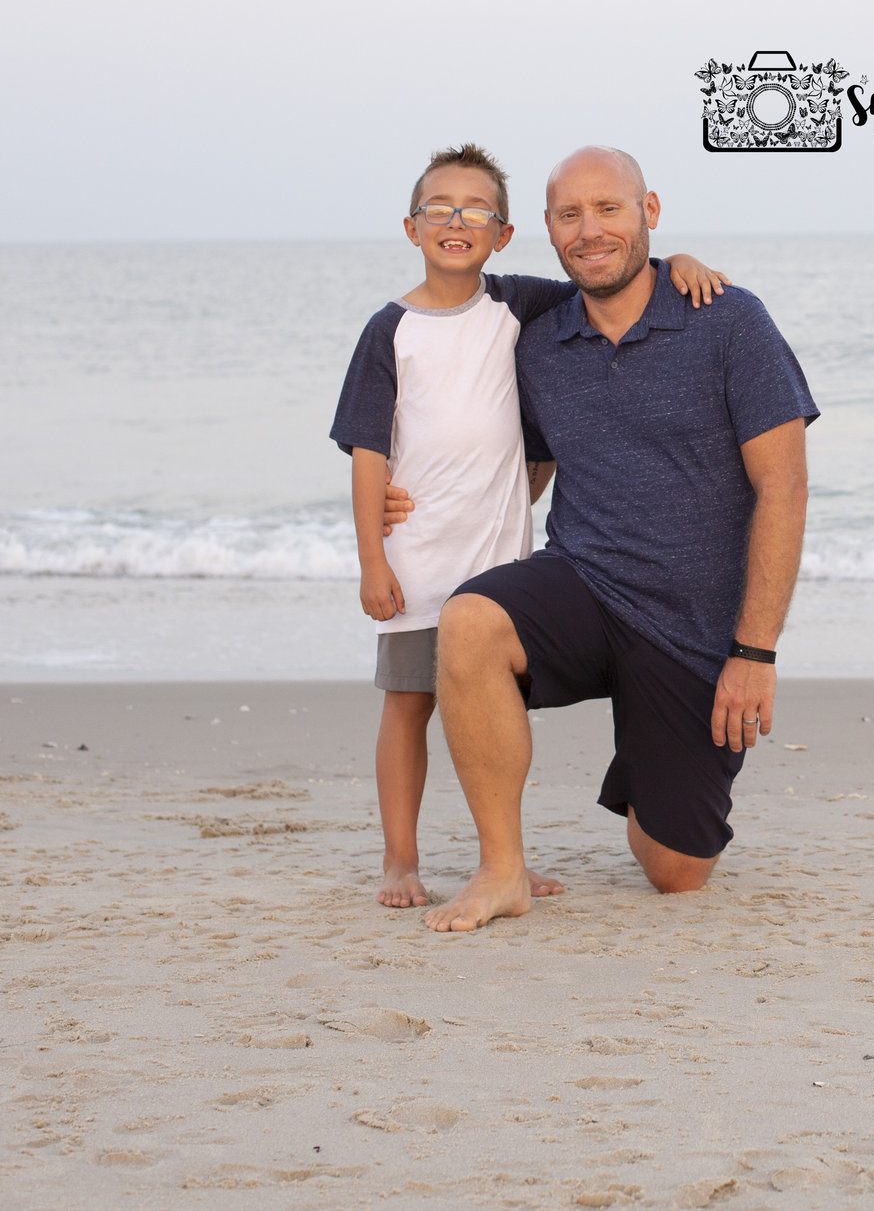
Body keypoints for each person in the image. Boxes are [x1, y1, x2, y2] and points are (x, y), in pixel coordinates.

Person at [393, 145, 816, 932]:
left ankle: (650, 749)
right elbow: (510, 459)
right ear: (547, 231)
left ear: (648, 212)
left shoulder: (728, 320)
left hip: (691, 632)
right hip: (584, 586)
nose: (590, 230)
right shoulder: (540, 341)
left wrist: (754, 653)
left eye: (609, 209)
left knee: (676, 872)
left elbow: (783, 486)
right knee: (471, 621)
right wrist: (406, 507)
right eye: (570, 215)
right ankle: (502, 868)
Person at [328, 142, 730, 909]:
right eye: (438, 208)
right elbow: (367, 450)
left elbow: (611, 271)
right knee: (409, 705)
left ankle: (504, 855)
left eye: (476, 209)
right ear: (410, 227)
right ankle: (399, 859)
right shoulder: (390, 331)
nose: (456, 221)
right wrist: (371, 558)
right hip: (419, 558)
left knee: (494, 711)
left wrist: (677, 257)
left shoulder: (520, 305)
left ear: (506, 233)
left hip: (499, 563)